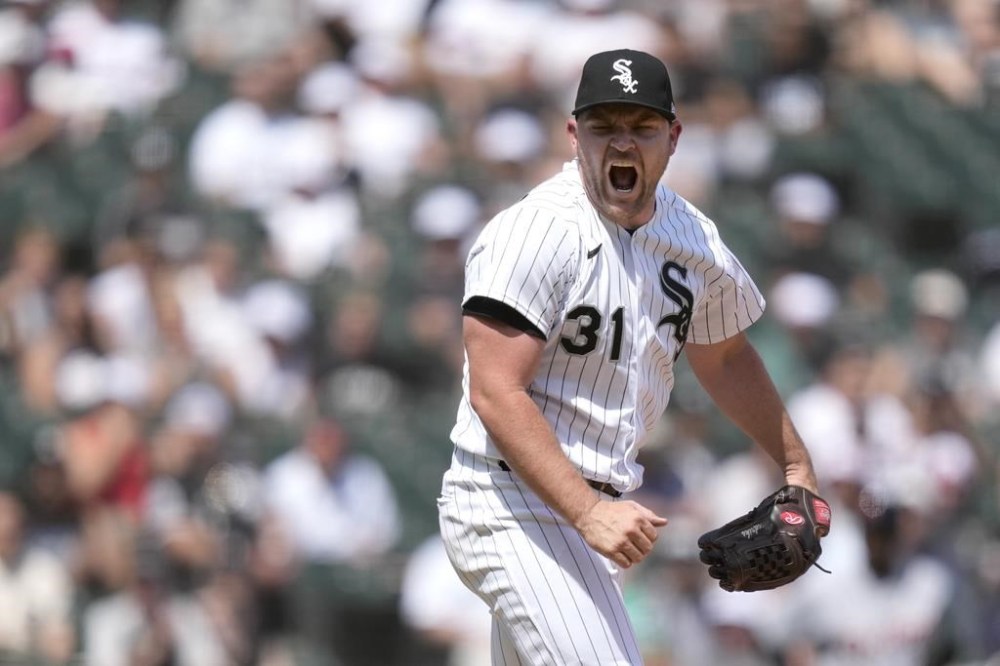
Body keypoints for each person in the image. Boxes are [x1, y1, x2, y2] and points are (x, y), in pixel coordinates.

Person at [437, 48, 825, 665]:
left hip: (595, 516)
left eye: (642, 127)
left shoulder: (692, 236)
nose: (622, 144)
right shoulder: (535, 232)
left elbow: (724, 356)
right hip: (512, 505)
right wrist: (587, 510)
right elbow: (494, 391)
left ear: (673, 138)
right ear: (573, 134)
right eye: (603, 126)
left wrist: (796, 466)